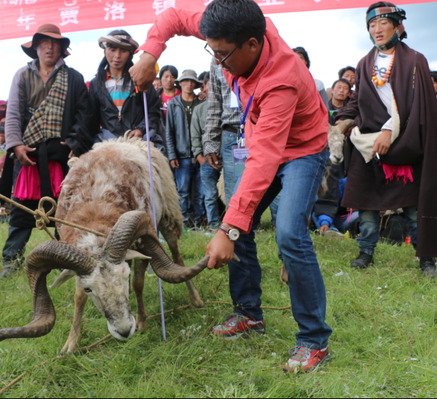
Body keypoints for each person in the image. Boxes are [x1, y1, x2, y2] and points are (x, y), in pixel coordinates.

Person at [130, 0, 332, 373]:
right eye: (213, 52)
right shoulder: (235, 29)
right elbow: (174, 16)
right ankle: (248, 314)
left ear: (252, 45)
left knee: (288, 232)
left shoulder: (280, 81)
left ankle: (314, 340)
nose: (217, 63)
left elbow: (264, 163)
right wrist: (149, 53)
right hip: (263, 144)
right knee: (240, 222)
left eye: (222, 55)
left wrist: (226, 229)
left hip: (302, 149)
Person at [335, 2, 437, 278]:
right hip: (368, 145)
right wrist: (341, 120)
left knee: (412, 206)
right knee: (366, 202)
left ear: (398, 26)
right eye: (372, 25)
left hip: (405, 142)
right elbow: (358, 101)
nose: (376, 29)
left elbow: (418, 105)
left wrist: (388, 132)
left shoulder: (415, 60)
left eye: (383, 23)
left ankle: (426, 257)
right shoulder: (364, 63)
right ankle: (366, 251)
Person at [0, 24, 94, 278]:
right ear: (36, 48)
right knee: (21, 211)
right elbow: (14, 114)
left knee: (64, 211)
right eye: (43, 42)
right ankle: (11, 260)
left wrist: (74, 143)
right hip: (28, 156)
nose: (49, 47)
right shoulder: (22, 75)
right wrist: (16, 145)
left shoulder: (73, 78)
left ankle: (67, 261)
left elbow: (84, 115)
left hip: (60, 157)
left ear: (62, 48)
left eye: (54, 43)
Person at [89, 30, 164, 153]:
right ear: (104, 50)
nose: (117, 55)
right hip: (108, 143)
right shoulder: (95, 84)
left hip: (139, 142)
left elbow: (153, 111)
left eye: (123, 51)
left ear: (130, 53)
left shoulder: (141, 78)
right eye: (112, 49)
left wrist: (141, 129)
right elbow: (92, 120)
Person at [166, 69, 205, 228]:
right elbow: (169, 131)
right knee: (182, 192)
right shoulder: (173, 104)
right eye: (186, 81)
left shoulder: (202, 103)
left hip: (201, 155)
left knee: (200, 192)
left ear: (195, 84)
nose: (189, 84)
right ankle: (183, 223)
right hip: (181, 156)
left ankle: (198, 222)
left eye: (192, 81)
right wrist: (172, 155)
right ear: (180, 83)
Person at [203, 61, 241, 206]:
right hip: (231, 134)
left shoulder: (258, 48)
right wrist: (211, 142)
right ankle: (237, 228)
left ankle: (278, 224)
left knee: (275, 195)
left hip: (259, 133)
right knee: (233, 196)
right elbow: (214, 104)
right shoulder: (215, 61)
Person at [191, 72, 221, 230]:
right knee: (210, 195)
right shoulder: (199, 109)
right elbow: (194, 134)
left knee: (231, 192)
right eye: (210, 84)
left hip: (226, 157)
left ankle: (233, 226)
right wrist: (199, 156)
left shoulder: (229, 105)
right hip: (206, 159)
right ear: (205, 87)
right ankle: (213, 225)